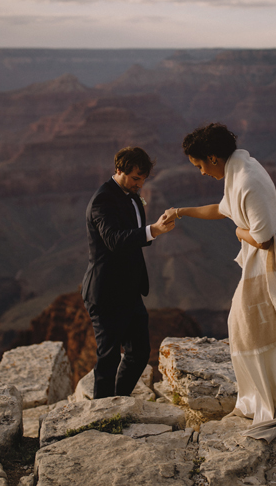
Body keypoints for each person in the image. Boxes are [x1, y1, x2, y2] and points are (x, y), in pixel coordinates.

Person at [164, 123, 276, 442]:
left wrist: (236, 233)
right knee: (246, 326)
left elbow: (262, 239)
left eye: (200, 165)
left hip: (273, 260)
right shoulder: (238, 169)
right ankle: (259, 398)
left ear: (214, 157)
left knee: (259, 329)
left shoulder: (247, 179)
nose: (202, 172)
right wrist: (181, 212)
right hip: (265, 259)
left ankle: (271, 403)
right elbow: (223, 209)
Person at [82, 146, 174, 399]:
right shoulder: (104, 199)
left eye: (143, 179)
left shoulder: (133, 195)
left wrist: (155, 228)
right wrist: (152, 230)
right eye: (135, 178)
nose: (139, 184)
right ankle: (100, 416)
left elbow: (134, 235)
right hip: (106, 291)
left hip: (130, 290)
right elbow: (113, 240)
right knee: (108, 357)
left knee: (140, 353)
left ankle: (119, 400)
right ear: (119, 169)